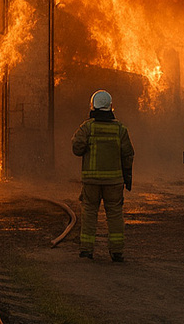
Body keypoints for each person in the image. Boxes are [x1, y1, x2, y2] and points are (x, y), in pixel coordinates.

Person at [71, 89, 134, 262]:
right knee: (114, 214)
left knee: (89, 212)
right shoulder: (120, 130)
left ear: (93, 106)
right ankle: (116, 252)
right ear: (111, 107)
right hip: (114, 182)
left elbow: (76, 148)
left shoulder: (87, 127)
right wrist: (127, 177)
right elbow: (128, 155)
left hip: (91, 181)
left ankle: (86, 251)